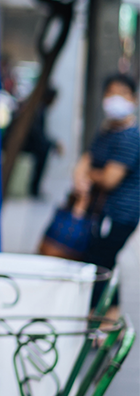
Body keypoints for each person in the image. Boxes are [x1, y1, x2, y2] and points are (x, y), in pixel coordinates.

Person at [72, 74, 139, 319]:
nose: (115, 99)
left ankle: (103, 318)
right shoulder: (107, 130)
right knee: (103, 261)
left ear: (134, 99)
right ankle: (109, 317)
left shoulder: (131, 136)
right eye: (110, 93)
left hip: (120, 214)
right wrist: (84, 173)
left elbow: (110, 178)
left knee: (100, 261)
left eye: (122, 93)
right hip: (101, 213)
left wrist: (87, 174)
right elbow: (85, 160)